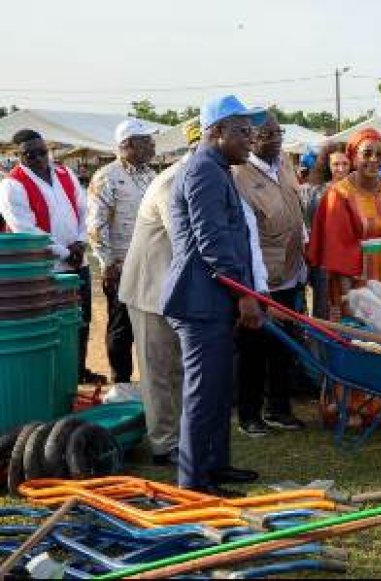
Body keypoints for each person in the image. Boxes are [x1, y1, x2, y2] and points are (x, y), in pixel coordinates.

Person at [160, 95, 267, 494]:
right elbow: (213, 242)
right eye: (242, 132)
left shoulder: (217, 168)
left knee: (220, 388)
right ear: (216, 132)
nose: (250, 140)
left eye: (251, 132)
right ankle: (193, 483)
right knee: (203, 393)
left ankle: (215, 465)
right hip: (199, 300)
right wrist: (244, 294)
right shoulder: (203, 171)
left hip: (214, 298)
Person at [307, 128, 381, 427]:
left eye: (379, 153)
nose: (374, 160)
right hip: (353, 278)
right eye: (366, 154)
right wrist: (350, 296)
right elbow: (337, 247)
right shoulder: (340, 194)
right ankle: (353, 409)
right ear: (353, 157)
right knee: (358, 338)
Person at [118, 120, 201, 466]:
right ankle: (163, 444)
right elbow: (186, 240)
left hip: (174, 288)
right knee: (158, 370)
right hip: (150, 290)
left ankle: (181, 434)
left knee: (180, 367)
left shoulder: (194, 178)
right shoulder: (172, 183)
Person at [0, 130, 101, 384]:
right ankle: (56, 376)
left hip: (78, 260)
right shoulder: (12, 184)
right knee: (52, 321)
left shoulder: (66, 174)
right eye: (29, 154)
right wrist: (66, 252)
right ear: (18, 155)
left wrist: (80, 242)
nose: (37, 158)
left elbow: (83, 210)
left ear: (49, 150)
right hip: (44, 265)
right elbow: (25, 227)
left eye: (41, 151)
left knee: (81, 318)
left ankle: (77, 370)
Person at [231, 113, 308, 436]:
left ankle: (279, 407)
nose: (276, 139)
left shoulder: (284, 163)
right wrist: (254, 290)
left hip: (290, 273)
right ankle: (249, 414)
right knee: (253, 349)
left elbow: (296, 211)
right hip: (260, 279)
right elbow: (243, 236)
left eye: (279, 133)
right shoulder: (238, 175)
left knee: (284, 346)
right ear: (251, 138)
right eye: (267, 135)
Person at [88, 119, 158, 390]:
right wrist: (107, 262)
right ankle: (122, 382)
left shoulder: (151, 176)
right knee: (121, 325)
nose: (152, 145)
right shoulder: (106, 176)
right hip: (121, 265)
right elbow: (96, 225)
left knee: (149, 324)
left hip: (150, 265)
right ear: (127, 144)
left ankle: (149, 381)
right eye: (146, 141)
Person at [298, 143, 351, 319]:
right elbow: (308, 228)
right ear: (327, 166)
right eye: (336, 164)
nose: (341, 169)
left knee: (351, 306)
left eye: (345, 164)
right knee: (323, 308)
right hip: (324, 261)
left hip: (352, 259)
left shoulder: (358, 191)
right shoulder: (314, 192)